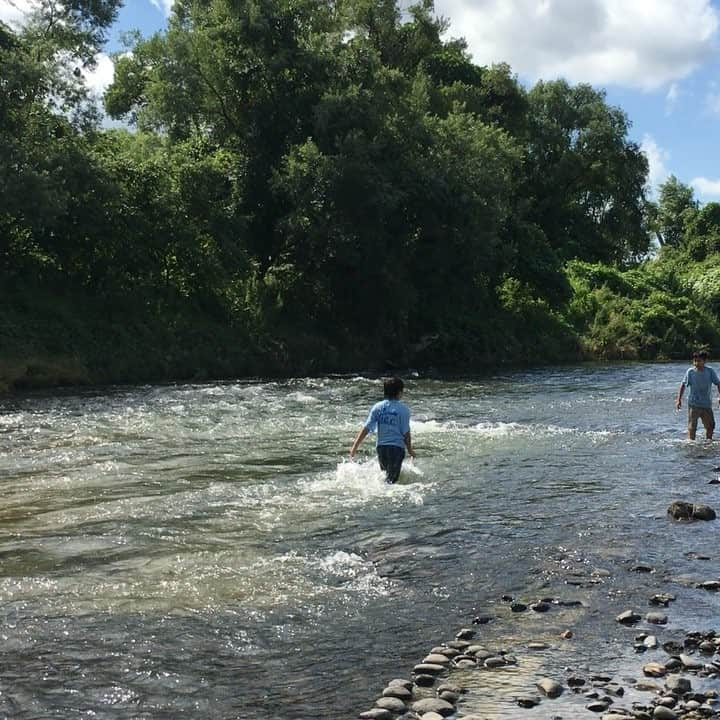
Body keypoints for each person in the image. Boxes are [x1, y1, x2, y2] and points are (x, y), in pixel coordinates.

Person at [350, 376, 415, 483]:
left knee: (386, 477)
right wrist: (410, 450)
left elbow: (366, 428)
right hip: (396, 449)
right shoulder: (404, 410)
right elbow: (406, 433)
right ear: (399, 392)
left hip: (381, 448)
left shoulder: (377, 407)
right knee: (391, 482)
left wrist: (354, 447)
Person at [676, 350, 720, 439]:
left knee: (710, 426)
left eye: (699, 361)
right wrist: (678, 400)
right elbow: (683, 385)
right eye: (695, 361)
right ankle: (691, 445)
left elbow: (718, 383)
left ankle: (708, 444)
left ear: (704, 361)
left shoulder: (710, 371)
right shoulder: (690, 372)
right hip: (693, 404)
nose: (696, 363)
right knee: (692, 428)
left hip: (706, 404)